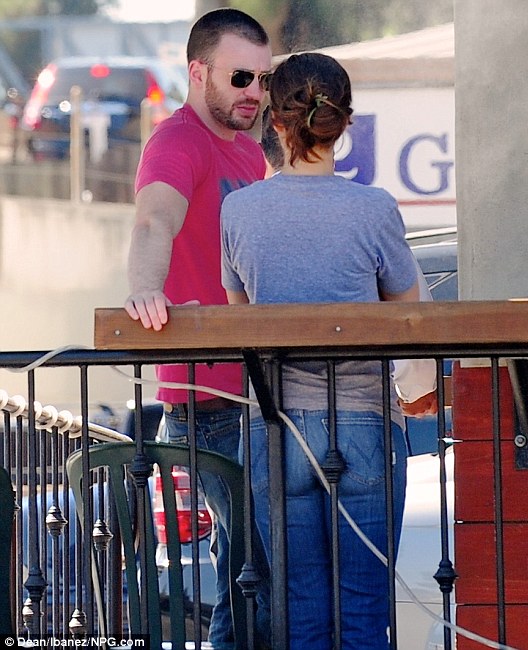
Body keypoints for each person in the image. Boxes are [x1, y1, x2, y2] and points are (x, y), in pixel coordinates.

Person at [220, 52, 436, 650]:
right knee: (365, 609)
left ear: (276, 122)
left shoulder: (239, 211)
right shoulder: (375, 210)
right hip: (365, 419)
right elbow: (409, 316)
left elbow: (242, 321)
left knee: (302, 609)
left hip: (276, 426)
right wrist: (419, 392)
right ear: (343, 123)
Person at [123, 8, 272, 649]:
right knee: (251, 570)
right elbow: (155, 219)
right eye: (242, 77)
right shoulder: (179, 140)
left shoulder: (246, 151)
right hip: (207, 398)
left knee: (256, 568)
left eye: (264, 80)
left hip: (251, 389)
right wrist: (144, 289)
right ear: (198, 71)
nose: (256, 94)